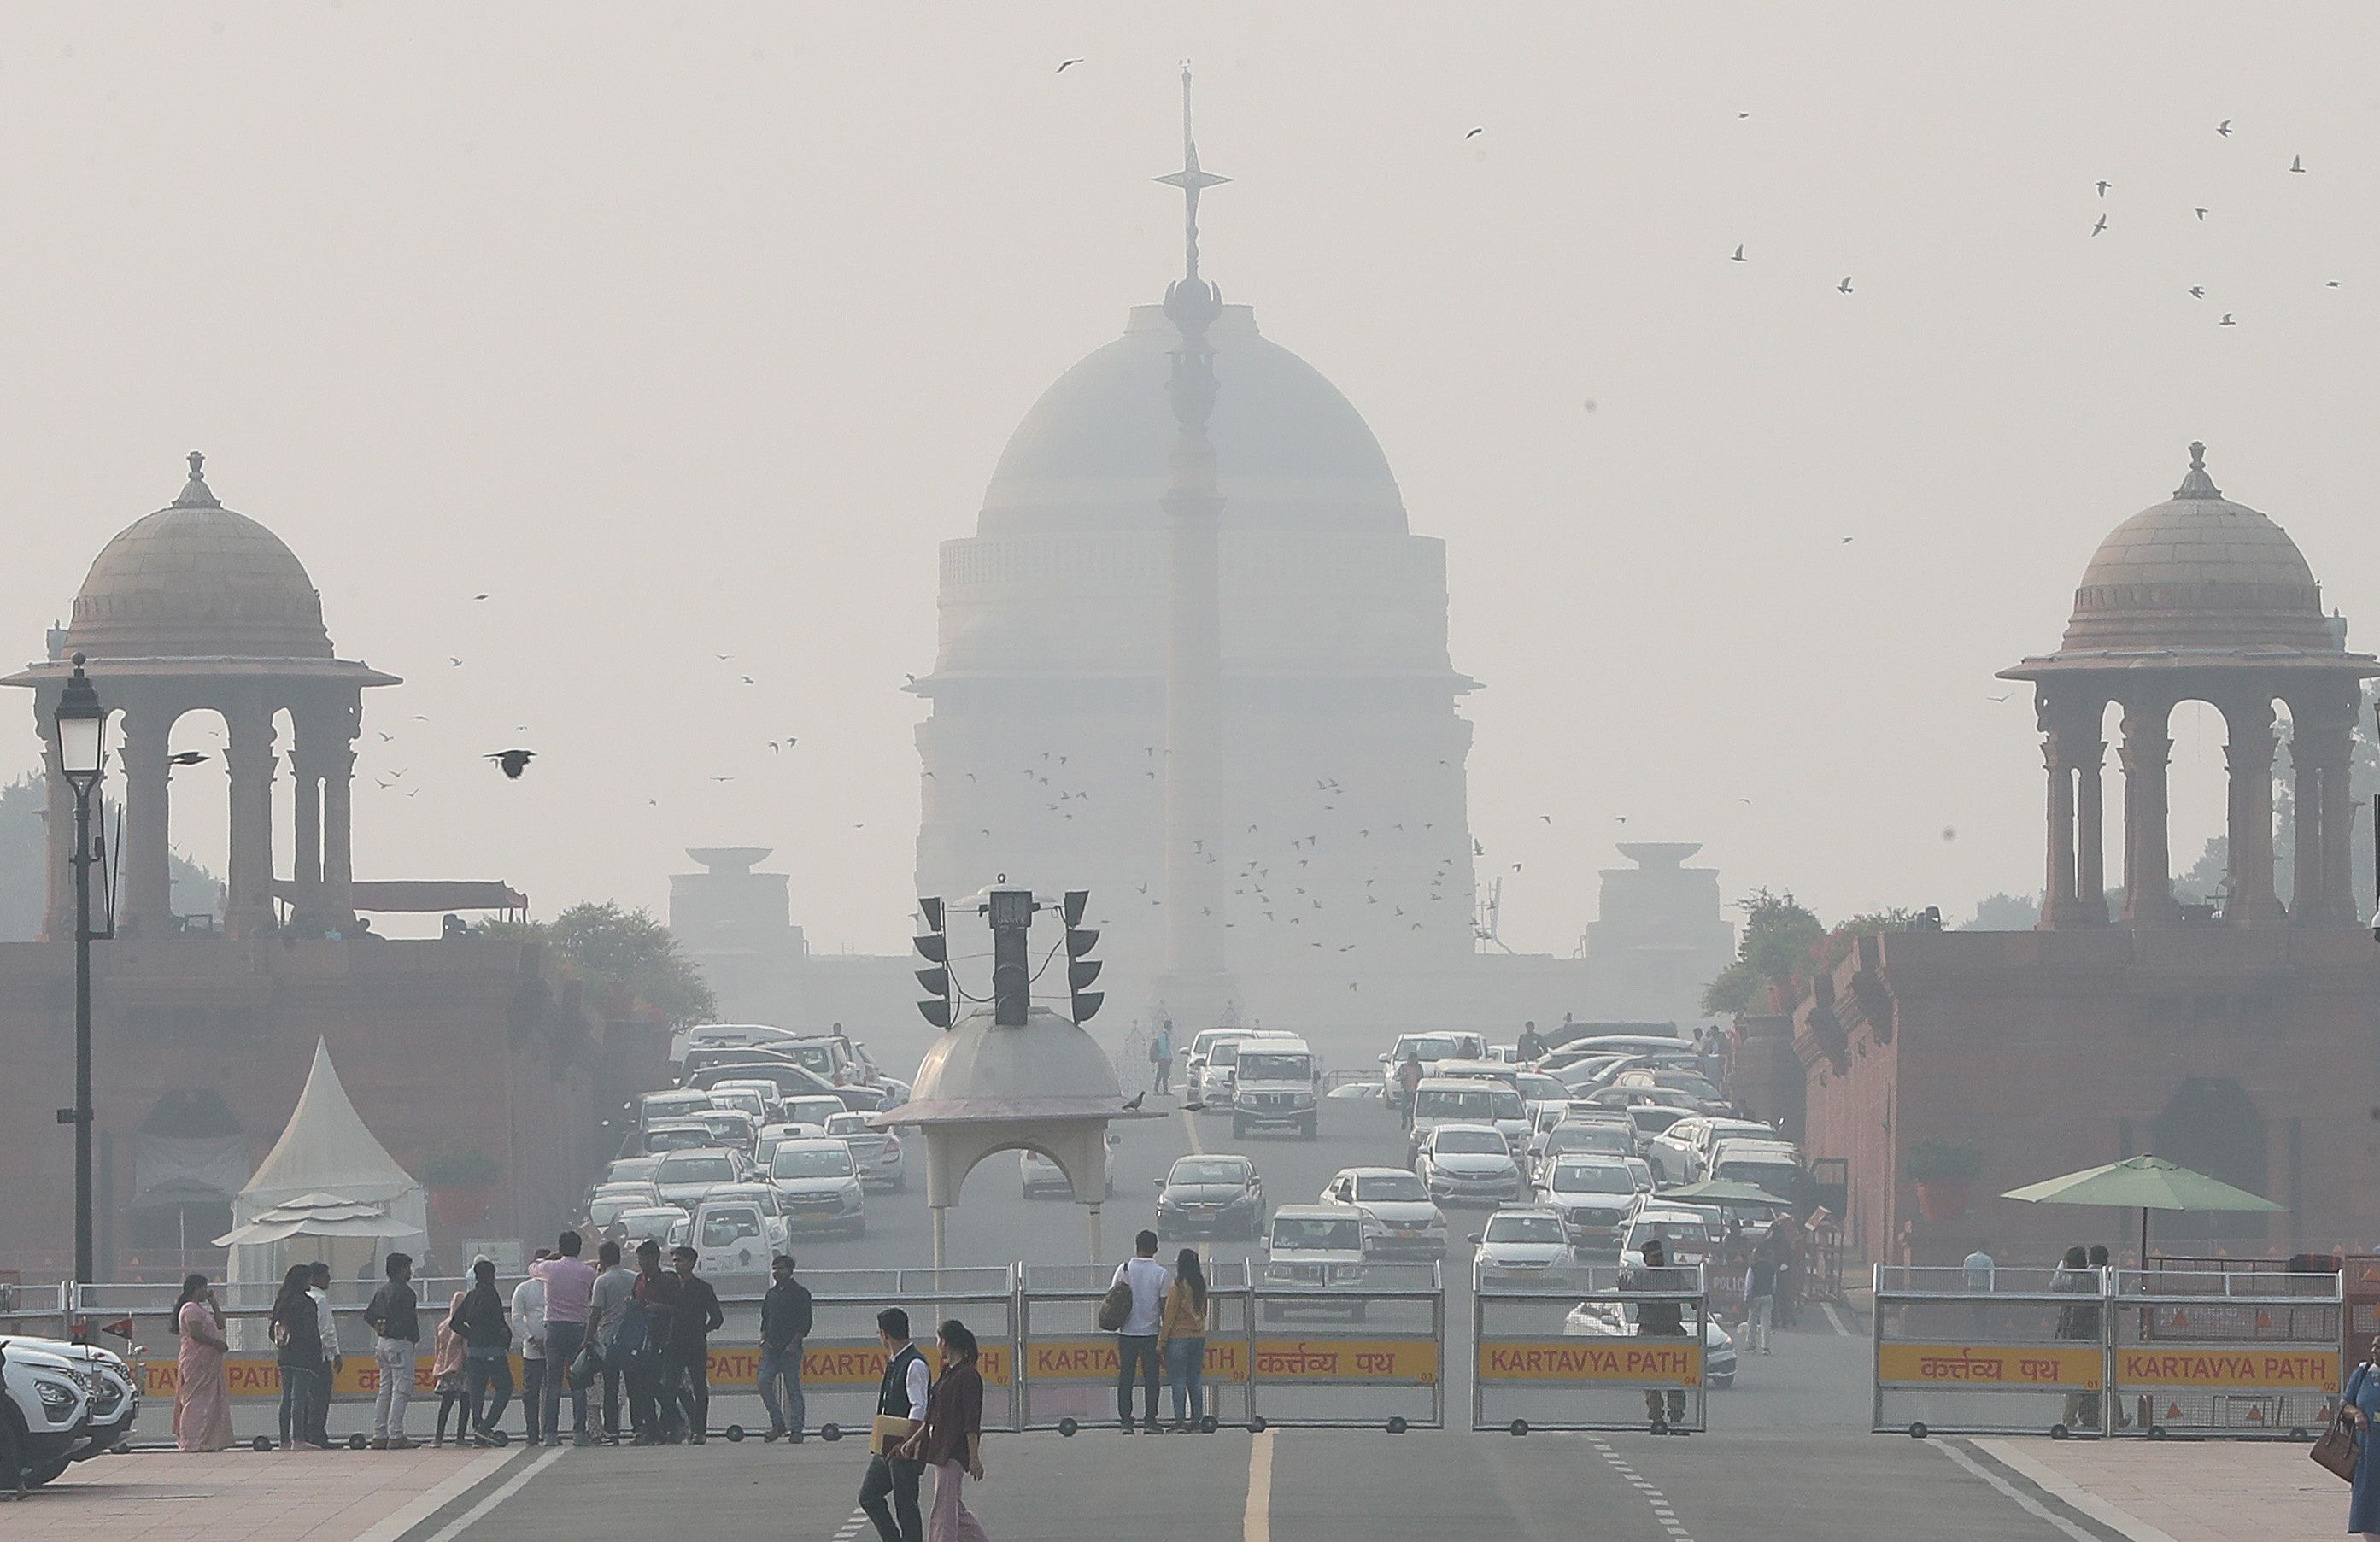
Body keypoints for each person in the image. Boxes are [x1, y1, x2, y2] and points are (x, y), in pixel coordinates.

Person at [898, 1319, 988, 1542]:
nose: (937, 1345)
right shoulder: (949, 1373)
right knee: (955, 1509)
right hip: (941, 1449)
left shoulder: (967, 1376)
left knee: (943, 1513)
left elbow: (971, 1421)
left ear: (945, 1342)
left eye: (938, 1340)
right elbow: (933, 1415)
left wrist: (974, 1457)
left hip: (953, 1450)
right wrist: (914, 1440)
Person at [859, 1307, 929, 1542]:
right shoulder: (895, 1362)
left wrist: (907, 1443)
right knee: (868, 1496)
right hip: (887, 1445)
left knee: (905, 1503)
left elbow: (919, 1408)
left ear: (884, 1334)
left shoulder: (914, 1364)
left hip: (903, 1446)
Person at [532, 1230, 598, 1446]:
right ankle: (579, 1432)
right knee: (577, 1382)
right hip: (578, 1329)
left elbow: (532, 1267)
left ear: (560, 1248)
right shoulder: (587, 1272)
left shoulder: (550, 1269)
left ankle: (550, 1432)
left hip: (553, 1328)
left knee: (553, 1384)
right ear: (579, 1249)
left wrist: (552, 1256)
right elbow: (591, 1296)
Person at [1111, 1230, 1171, 1434]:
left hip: (1127, 1332)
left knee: (1126, 1377)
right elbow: (1164, 1307)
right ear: (1155, 1249)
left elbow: (1113, 1295)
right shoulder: (1161, 1274)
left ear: (1136, 1246)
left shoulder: (1124, 1269)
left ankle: (1126, 1422)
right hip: (1151, 1334)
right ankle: (1150, 1421)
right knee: (1151, 1379)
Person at [449, 1258, 514, 1445]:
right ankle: (486, 1427)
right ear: (492, 1276)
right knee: (505, 1387)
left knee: (476, 1391)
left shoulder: (471, 1296)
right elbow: (497, 1322)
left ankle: (478, 1427)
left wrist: (471, 1334)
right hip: (493, 1348)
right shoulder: (491, 1294)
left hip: (474, 1350)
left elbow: (455, 1323)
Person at [1627, 1238, 1690, 1431]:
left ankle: (1677, 1417)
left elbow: (1693, 1299)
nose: (1660, 1259)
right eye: (1655, 1257)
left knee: (1676, 1377)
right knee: (1650, 1378)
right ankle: (1656, 1417)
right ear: (1645, 1259)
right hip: (1649, 1331)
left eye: (1661, 1255)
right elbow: (1626, 1296)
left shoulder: (1673, 1276)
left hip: (1672, 1330)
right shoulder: (1639, 1277)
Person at [666, 1245, 724, 1443]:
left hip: (695, 1344)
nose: (676, 1264)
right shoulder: (670, 1286)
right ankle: (673, 1427)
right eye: (674, 1260)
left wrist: (701, 1331)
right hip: (673, 1344)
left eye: (680, 1260)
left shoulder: (703, 1288)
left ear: (691, 1263)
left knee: (699, 1387)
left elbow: (717, 1318)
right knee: (669, 1387)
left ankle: (700, 1430)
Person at [362, 1252, 420, 1450]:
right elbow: (407, 1322)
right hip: (400, 1344)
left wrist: (380, 1327)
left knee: (384, 1389)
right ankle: (396, 1434)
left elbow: (368, 1315)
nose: (410, 1272)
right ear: (402, 1269)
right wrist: (405, 1334)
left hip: (382, 1343)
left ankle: (380, 1434)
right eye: (408, 1268)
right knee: (401, 1389)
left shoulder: (381, 1291)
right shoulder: (406, 1293)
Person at [173, 1274, 234, 1452]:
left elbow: (221, 1324)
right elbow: (196, 1334)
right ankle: (191, 1439)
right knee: (195, 1400)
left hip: (209, 1362)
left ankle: (207, 1439)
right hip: (197, 1361)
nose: (206, 1291)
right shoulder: (190, 1309)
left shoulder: (201, 1310)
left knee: (209, 1401)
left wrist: (214, 1303)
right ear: (196, 1289)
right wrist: (217, 1344)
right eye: (203, 1288)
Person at [628, 1239, 681, 1444]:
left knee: (652, 1384)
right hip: (640, 1340)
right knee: (640, 1387)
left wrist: (658, 1308)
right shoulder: (639, 1280)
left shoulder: (667, 1281)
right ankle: (651, 1431)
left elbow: (678, 1308)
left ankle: (673, 1419)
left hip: (661, 1339)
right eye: (639, 1259)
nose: (641, 1263)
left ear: (653, 1259)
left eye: (643, 1259)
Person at [584, 1240, 636, 1443]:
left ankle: (611, 1430)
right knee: (634, 1386)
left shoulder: (602, 1281)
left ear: (602, 1259)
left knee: (610, 1388)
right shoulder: (634, 1278)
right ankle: (638, 1427)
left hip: (608, 1341)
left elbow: (595, 1313)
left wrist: (587, 1339)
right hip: (631, 1339)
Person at [759, 1253, 814, 1443]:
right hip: (772, 1349)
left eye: (781, 1268)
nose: (777, 1272)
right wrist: (763, 1339)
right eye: (775, 1268)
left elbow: (805, 1322)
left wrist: (794, 1344)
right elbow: (766, 1319)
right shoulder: (771, 1294)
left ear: (791, 1271)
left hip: (790, 1350)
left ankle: (797, 1429)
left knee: (793, 1389)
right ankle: (778, 1423)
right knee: (764, 1382)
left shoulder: (801, 1294)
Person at [272, 1264, 325, 1450]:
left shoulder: (282, 1300)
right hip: (303, 1356)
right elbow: (312, 1333)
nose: (310, 1282)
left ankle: (284, 1439)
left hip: (285, 1354)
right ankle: (299, 1439)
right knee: (300, 1398)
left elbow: (273, 1330)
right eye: (308, 1278)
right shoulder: (306, 1303)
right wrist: (317, 1355)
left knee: (286, 1397)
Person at [1157, 1248, 1209, 1432]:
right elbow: (1204, 1311)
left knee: (1178, 1380)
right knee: (1194, 1380)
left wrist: (1162, 1341)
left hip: (1179, 1337)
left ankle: (1180, 1421)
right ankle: (1197, 1420)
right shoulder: (1200, 1285)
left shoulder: (1178, 1286)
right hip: (1198, 1336)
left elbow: (1169, 1315)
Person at [2342, 1332, 2380, 1540]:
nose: (2375, 1351)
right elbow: (2345, 1405)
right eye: (2374, 1346)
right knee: (2367, 1502)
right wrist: (2357, 1413)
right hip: (2367, 1452)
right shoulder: (2363, 1373)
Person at [511, 1251, 550, 1445]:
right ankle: (533, 1433)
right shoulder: (524, 1289)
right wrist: (532, 1339)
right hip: (534, 1349)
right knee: (532, 1393)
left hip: (551, 1348)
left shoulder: (557, 1286)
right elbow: (516, 1318)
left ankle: (549, 1431)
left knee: (550, 1393)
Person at [305, 1261, 339, 1448]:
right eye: (326, 1276)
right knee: (321, 1397)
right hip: (321, 1356)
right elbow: (326, 1331)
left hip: (305, 1356)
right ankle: (318, 1434)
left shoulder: (303, 1297)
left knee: (306, 1397)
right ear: (316, 1278)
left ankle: (305, 1434)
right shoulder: (320, 1299)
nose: (329, 1279)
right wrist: (336, 1354)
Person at [430, 1289, 469, 1445]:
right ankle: (460, 1437)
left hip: (445, 1369)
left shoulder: (442, 1325)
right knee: (465, 1403)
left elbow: (437, 1348)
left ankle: (438, 1437)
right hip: (461, 1368)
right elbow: (466, 1348)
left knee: (446, 1404)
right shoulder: (464, 1325)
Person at [1742, 1243, 1777, 1357]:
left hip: (1755, 1296)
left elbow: (1749, 1284)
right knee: (1766, 1322)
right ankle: (1766, 1347)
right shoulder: (1772, 1268)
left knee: (1752, 1321)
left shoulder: (1753, 1268)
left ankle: (1751, 1345)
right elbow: (1774, 1285)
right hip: (1768, 1296)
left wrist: (1746, 1297)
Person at [1962, 1241, 1996, 1336]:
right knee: (1984, 1312)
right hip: (1983, 1288)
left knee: (1975, 1311)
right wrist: (1991, 1290)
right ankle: (1982, 1333)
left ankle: (1976, 1333)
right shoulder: (1988, 1259)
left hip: (1972, 1288)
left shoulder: (1968, 1259)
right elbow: (1991, 1275)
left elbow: (1965, 1275)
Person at [1394, 1048, 1424, 1127]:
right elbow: (1396, 1077)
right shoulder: (1403, 1067)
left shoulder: (1419, 1067)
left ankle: (1413, 1123)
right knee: (1404, 1108)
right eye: (1414, 1060)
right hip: (1406, 1090)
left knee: (1414, 1109)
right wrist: (1403, 1077)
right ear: (1409, 1060)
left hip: (1415, 1091)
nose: (1416, 1062)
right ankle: (1404, 1121)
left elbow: (1422, 1078)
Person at [1151, 1021, 1174, 1097]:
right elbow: (1163, 1048)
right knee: (1161, 1074)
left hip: (1165, 1058)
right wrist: (1168, 1058)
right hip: (1163, 1059)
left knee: (1165, 1075)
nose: (1172, 1027)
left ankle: (1164, 1089)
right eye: (1171, 1026)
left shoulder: (1166, 1035)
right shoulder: (1163, 1036)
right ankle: (1157, 1089)